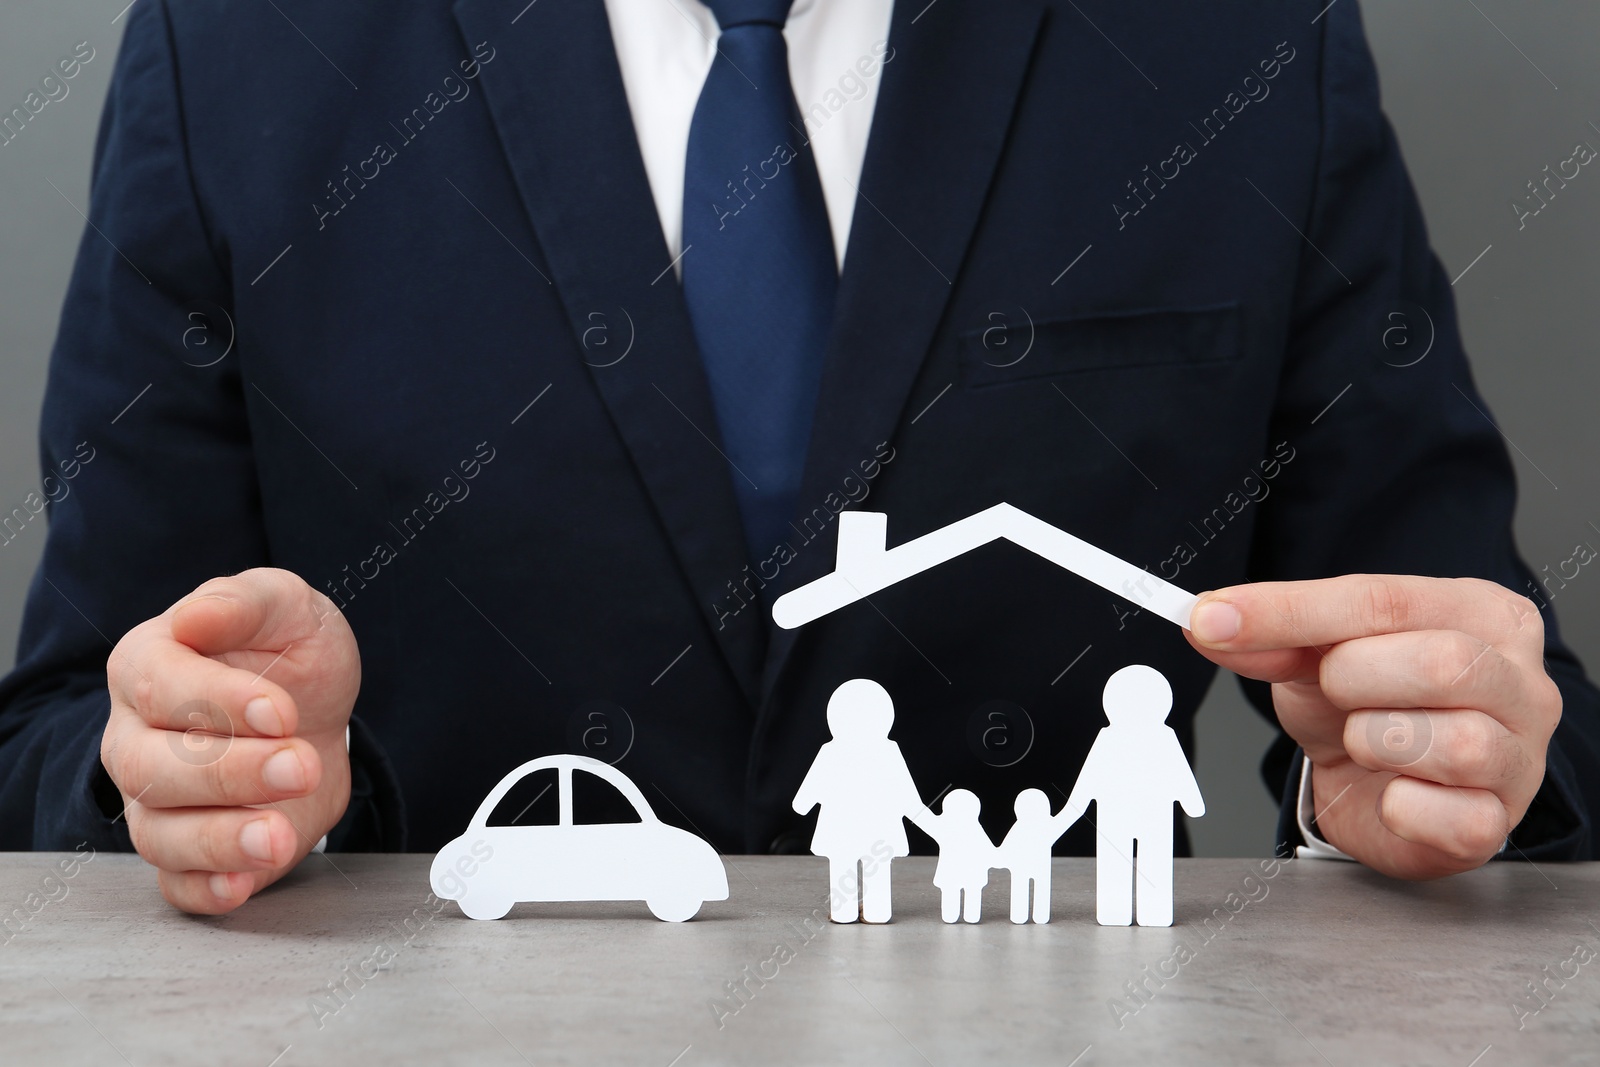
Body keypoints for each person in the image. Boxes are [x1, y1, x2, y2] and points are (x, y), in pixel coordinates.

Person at [0, 0, 1595, 916]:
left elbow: (1499, 695)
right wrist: (211, 777)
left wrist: (1445, 775)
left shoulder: (1238, 46)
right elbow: (59, 737)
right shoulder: (240, 53)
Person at [1055, 665, 1206, 927]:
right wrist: (1192, 804)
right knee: (1117, 863)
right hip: (1122, 816)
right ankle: (1117, 909)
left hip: (1147, 816)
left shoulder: (1162, 736)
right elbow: (1089, 780)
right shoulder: (1112, 737)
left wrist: (1192, 802)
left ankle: (1153, 910)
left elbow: (1177, 771)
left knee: (1153, 863)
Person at [791, 679, 928, 923]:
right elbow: (907, 794)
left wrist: (803, 805)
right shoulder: (887, 751)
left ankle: (844, 912)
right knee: (875, 866)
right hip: (880, 826)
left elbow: (805, 798)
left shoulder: (832, 751)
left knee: (844, 864)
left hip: (840, 826)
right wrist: (923, 817)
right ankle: (877, 912)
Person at [998, 788, 1076, 925]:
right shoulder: (1036, 826)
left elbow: (1007, 845)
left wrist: (1000, 857)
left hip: (1031, 866)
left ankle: (1027, 915)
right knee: (1029, 887)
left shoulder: (1029, 826)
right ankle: (1028, 915)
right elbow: (1066, 820)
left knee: (1028, 887)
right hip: (1029, 867)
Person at [923, 789, 995, 924]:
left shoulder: (948, 827)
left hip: (958, 872)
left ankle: (962, 915)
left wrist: (918, 811)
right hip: (969, 873)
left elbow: (927, 822)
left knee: (961, 891)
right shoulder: (971, 829)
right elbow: (988, 849)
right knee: (964, 890)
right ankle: (965, 915)